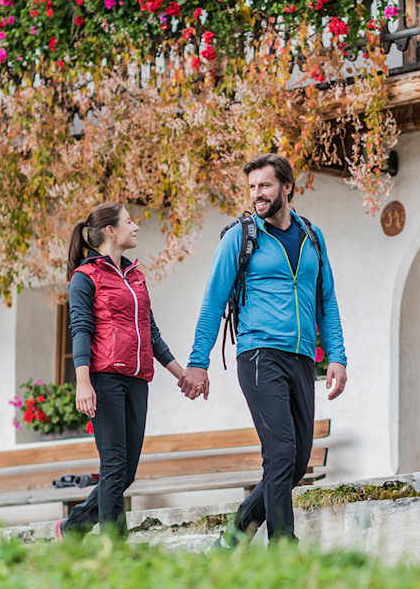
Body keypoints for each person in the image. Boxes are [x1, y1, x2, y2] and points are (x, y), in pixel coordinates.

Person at [181, 153, 348, 545]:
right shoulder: (241, 236)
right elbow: (213, 301)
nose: (257, 194)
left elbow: (328, 300)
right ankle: (283, 546)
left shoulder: (312, 236)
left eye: (265, 186)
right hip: (258, 353)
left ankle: (232, 538)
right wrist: (197, 362)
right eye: (253, 186)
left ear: (287, 188)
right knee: (280, 451)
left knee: (295, 460)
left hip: (302, 357)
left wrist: (337, 355)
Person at [56, 202, 187, 539]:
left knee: (125, 473)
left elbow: (151, 333)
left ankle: (73, 527)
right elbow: (80, 329)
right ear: (110, 231)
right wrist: (83, 382)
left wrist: (180, 373)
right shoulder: (85, 278)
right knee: (114, 468)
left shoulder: (135, 275)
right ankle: (116, 550)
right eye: (129, 221)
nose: (136, 226)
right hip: (104, 379)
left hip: (136, 381)